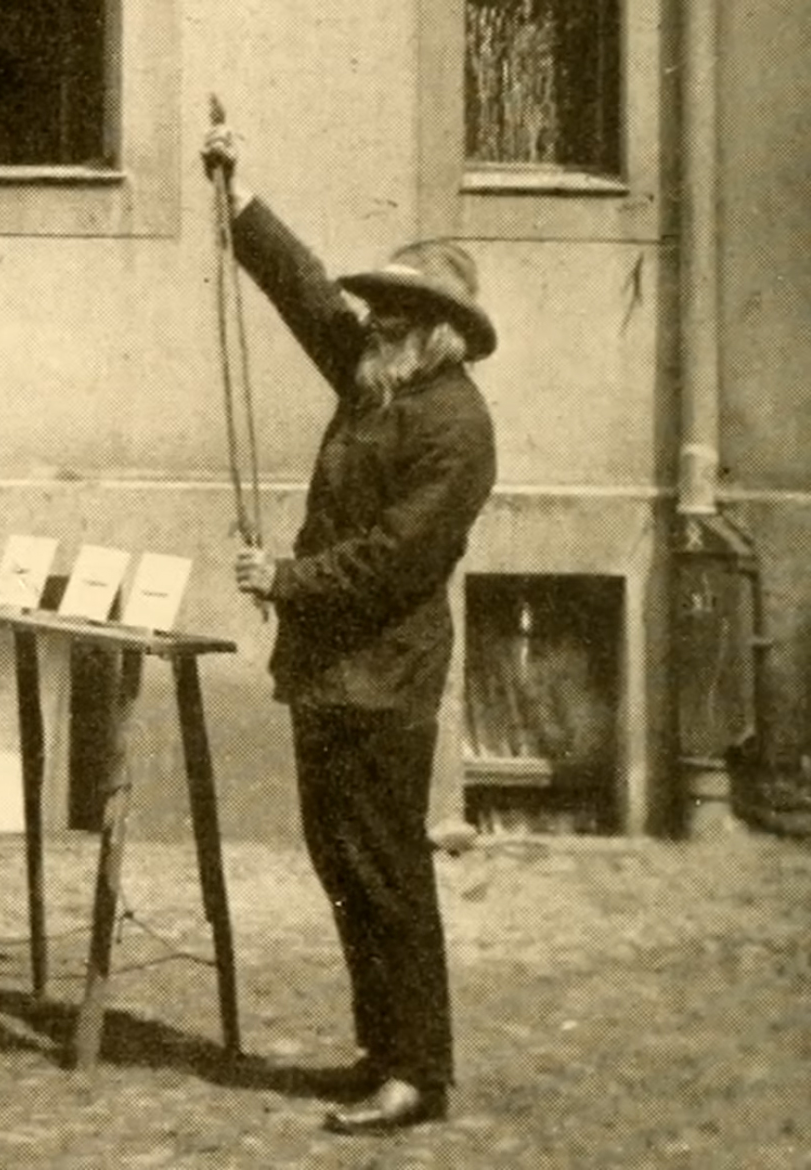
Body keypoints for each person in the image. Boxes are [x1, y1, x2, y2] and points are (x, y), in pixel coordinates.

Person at [202, 120, 498, 1134]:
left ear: (433, 327)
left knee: (383, 870)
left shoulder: (454, 428)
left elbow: (392, 562)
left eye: (389, 311)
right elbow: (305, 295)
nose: (366, 320)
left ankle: (417, 1073)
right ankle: (384, 1052)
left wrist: (283, 580)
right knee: (343, 870)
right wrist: (235, 200)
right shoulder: (378, 383)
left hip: (383, 680)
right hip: (332, 677)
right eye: (372, 309)